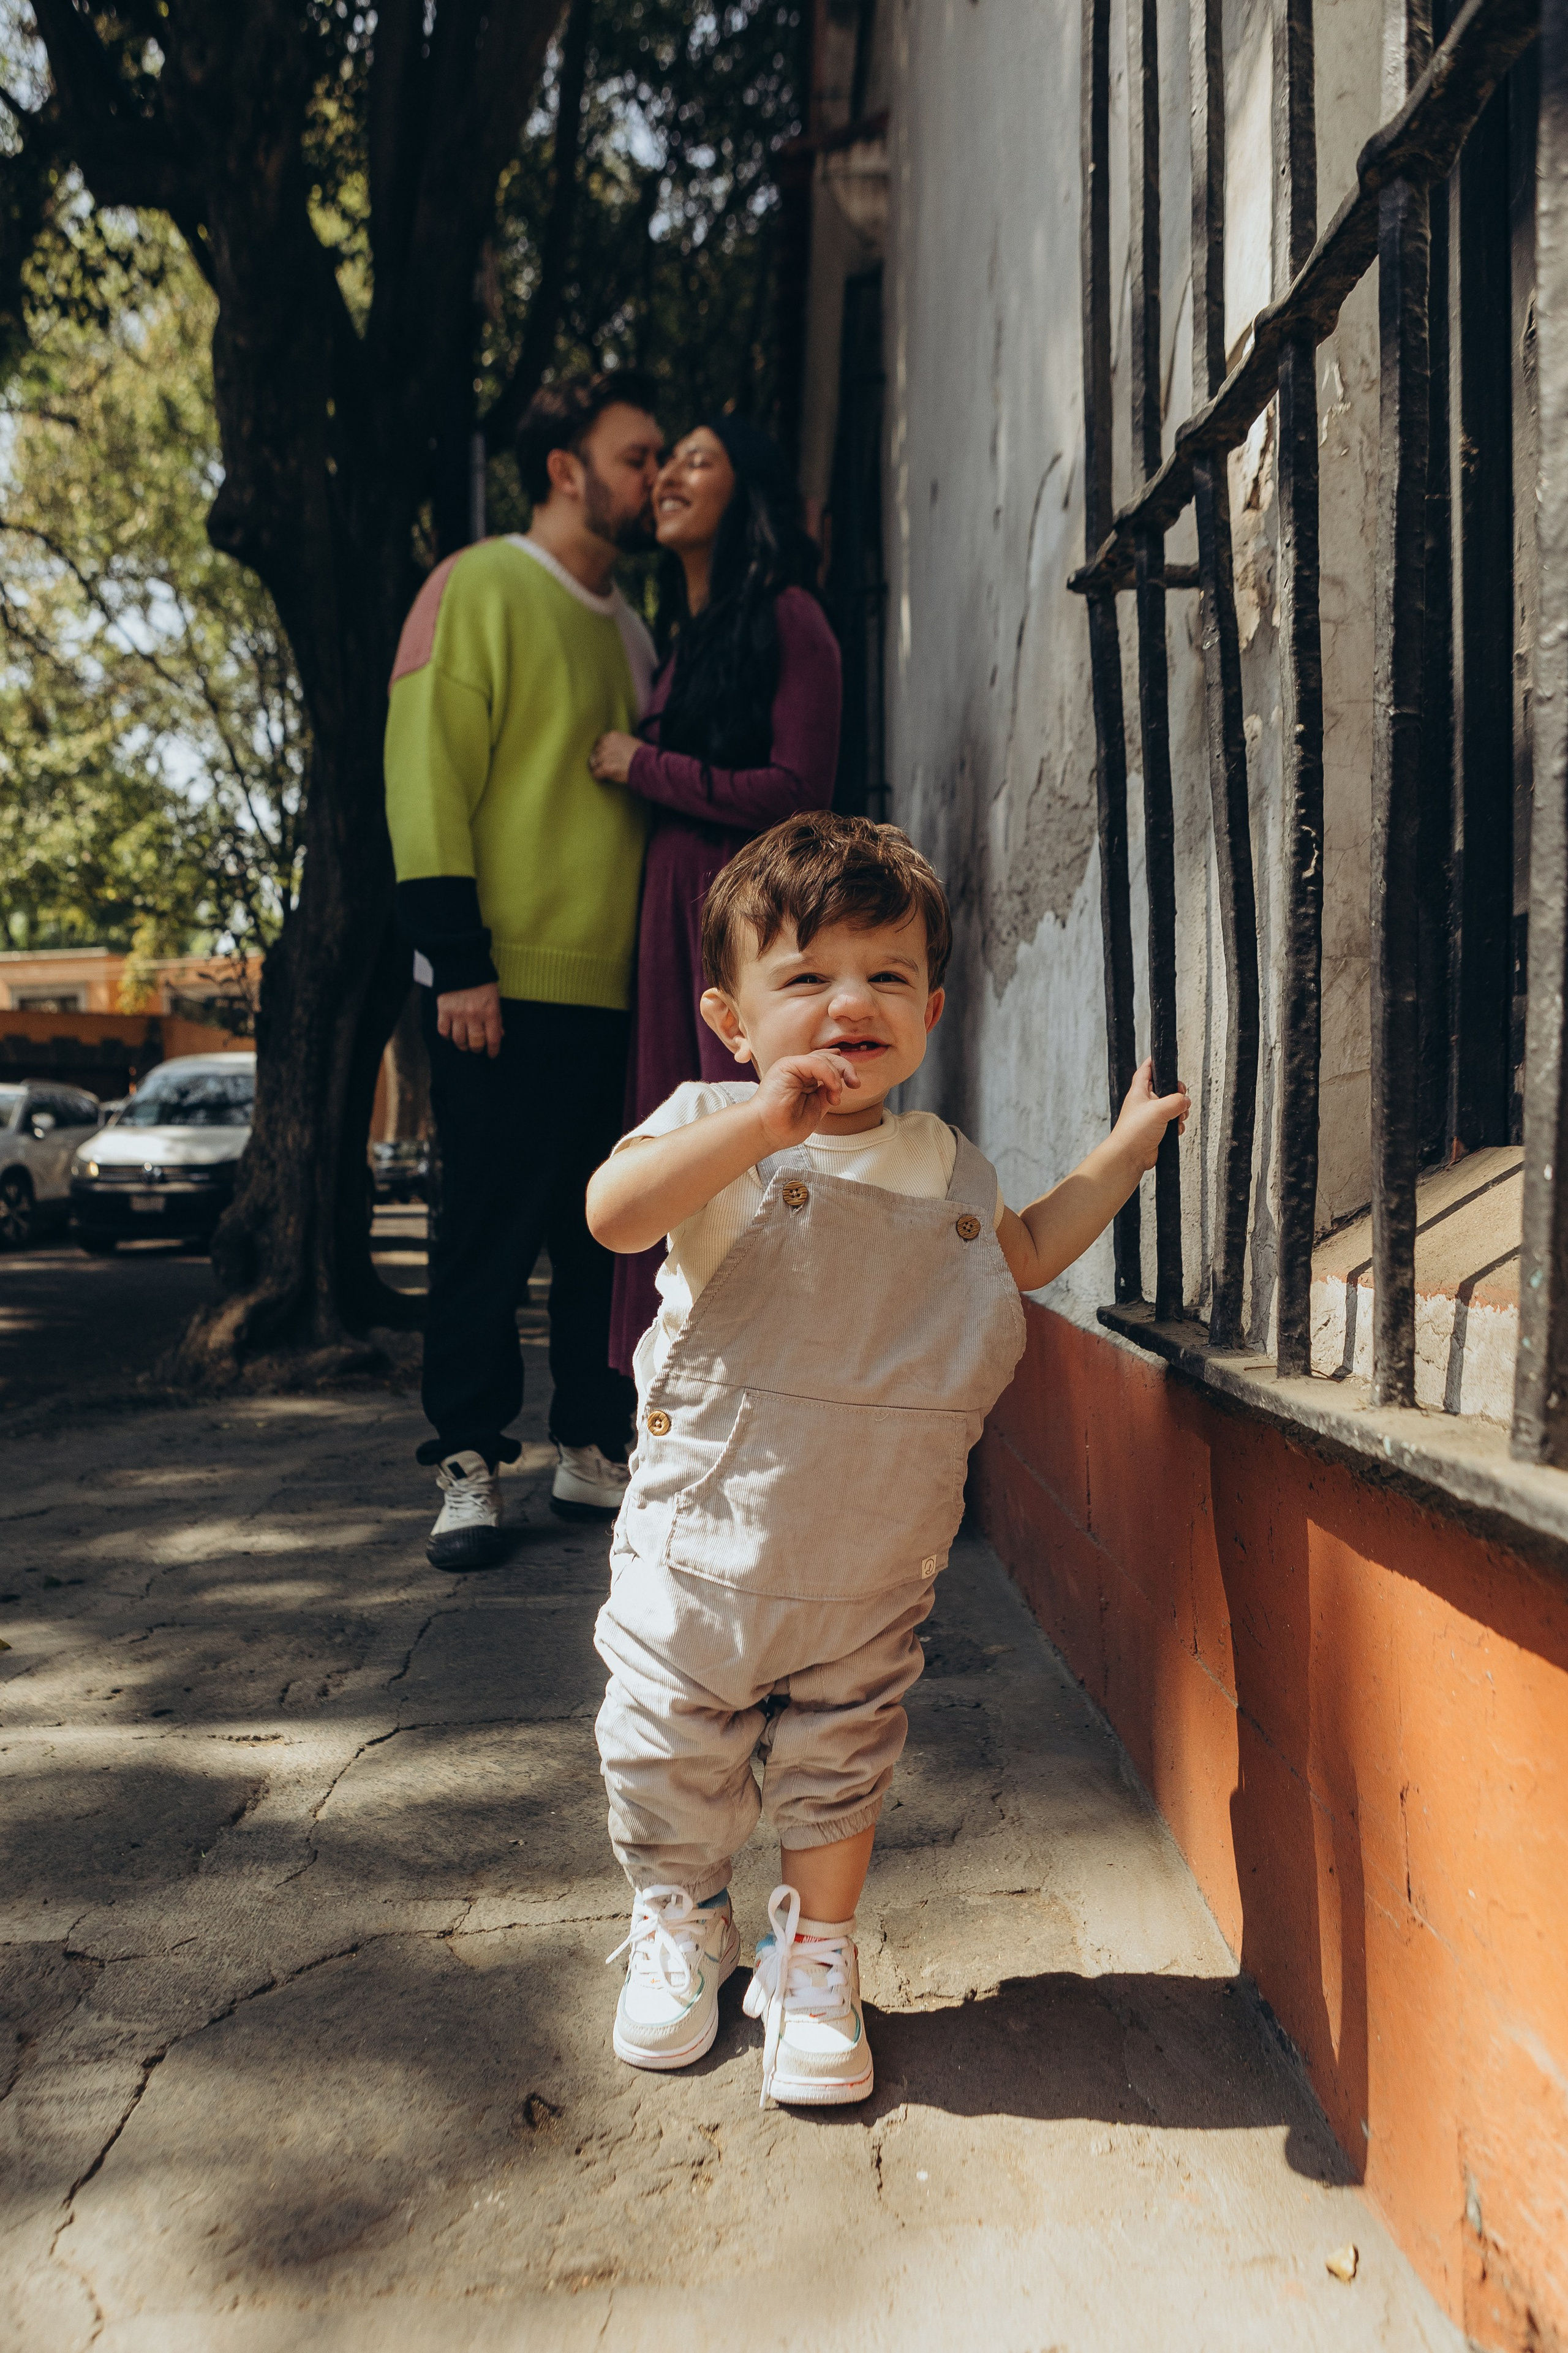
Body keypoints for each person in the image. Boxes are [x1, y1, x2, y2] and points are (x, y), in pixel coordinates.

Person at [584, 812, 1189, 2105]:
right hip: (702, 1546)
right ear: (731, 1018)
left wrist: (1119, 1158)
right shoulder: (707, 1125)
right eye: (803, 979)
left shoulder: (941, 1164)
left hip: (869, 1547)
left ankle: (811, 1953)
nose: (847, 1003)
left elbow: (1018, 1254)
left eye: (886, 977)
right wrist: (761, 1128)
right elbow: (612, 1215)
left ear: (929, 1009)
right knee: (663, 1747)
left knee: (841, 1756)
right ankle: (683, 1918)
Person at [384, 373, 663, 1569]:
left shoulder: (634, 628)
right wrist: (457, 962)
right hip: (490, 985)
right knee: (484, 1235)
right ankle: (466, 1462)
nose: (656, 477)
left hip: (618, 994)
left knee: (603, 1239)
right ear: (566, 468)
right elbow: (426, 776)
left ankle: (589, 1450)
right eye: (636, 456)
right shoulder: (477, 586)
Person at [586, 418, 840, 1378]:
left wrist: (645, 764)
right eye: (664, 462)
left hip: (745, 920)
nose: (669, 478)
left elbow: (796, 788)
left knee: (743, 1132)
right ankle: (678, 1377)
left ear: (749, 491)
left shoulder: (790, 614)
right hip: (673, 917)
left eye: (699, 460)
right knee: (673, 1136)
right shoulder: (684, 639)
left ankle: (772, 1370)